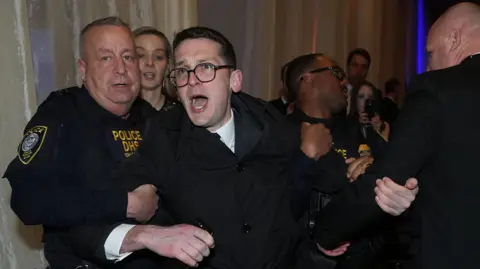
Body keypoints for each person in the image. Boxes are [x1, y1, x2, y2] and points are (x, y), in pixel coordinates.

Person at [51, 26, 419, 269]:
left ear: (235, 80)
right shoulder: (160, 136)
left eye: (206, 67)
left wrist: (374, 184)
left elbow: (325, 185)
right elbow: (85, 226)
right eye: (182, 70)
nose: (193, 79)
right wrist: (145, 235)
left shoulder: (275, 125)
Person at [2, 16, 204, 269]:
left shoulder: (152, 118)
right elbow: (27, 200)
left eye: (129, 57)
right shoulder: (63, 113)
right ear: (84, 69)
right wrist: (124, 203)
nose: (121, 69)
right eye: (106, 58)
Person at [311, 2, 480, 269]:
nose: (429, 65)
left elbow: (388, 179)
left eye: (431, 54)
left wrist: (326, 232)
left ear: (455, 38)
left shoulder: (438, 89)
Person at [285, 53, 415, 269]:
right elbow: (274, 208)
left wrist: (374, 167)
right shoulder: (282, 133)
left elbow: (394, 182)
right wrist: (306, 159)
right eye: (337, 73)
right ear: (308, 78)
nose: (345, 82)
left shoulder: (357, 130)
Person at [133, 26, 177, 111]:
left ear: (167, 64)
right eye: (140, 55)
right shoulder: (116, 115)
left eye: (158, 57)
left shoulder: (183, 116)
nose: (150, 63)